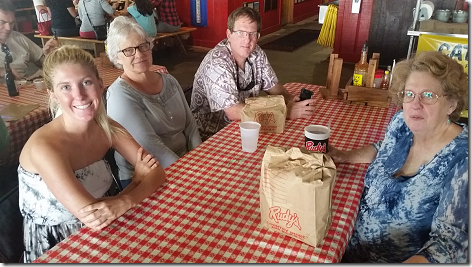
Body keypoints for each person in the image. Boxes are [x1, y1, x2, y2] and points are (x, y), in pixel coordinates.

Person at [18, 45, 167, 263]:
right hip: (56, 245)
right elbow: (93, 218)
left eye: (86, 82)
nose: (79, 95)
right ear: (53, 95)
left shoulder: (107, 127)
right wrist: (135, 185)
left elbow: (158, 174)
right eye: (66, 87)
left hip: (112, 224)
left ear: (100, 84)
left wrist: (123, 201)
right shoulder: (45, 147)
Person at [328, 51, 468, 263]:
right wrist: (344, 156)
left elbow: (448, 247)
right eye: (409, 94)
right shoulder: (402, 122)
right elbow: (383, 147)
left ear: (452, 104)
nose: (415, 104)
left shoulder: (462, 159)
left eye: (428, 95)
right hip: (346, 243)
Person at [190, 7, 316, 141]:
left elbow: (273, 86)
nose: (247, 40)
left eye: (253, 34)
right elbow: (233, 111)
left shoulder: (256, 53)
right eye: (240, 33)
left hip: (246, 125)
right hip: (213, 136)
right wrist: (286, 112)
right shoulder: (217, 62)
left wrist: (290, 100)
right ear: (228, 35)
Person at [106, 16, 201, 188]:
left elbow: (190, 125)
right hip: (146, 176)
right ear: (116, 57)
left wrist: (200, 158)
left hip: (185, 163)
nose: (139, 54)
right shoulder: (119, 94)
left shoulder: (169, 80)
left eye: (143, 46)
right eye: (129, 50)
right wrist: (189, 174)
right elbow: (150, 146)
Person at [0, 0, 57, 80]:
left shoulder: (17, 37)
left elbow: (41, 59)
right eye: (2, 22)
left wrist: (48, 55)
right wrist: (3, 71)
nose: (8, 28)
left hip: (24, 85)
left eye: (11, 23)